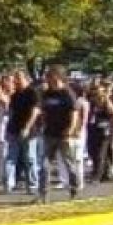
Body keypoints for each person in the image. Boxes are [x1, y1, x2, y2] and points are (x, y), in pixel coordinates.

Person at [39, 65, 78, 201]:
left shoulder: (67, 93)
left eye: (50, 76)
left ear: (57, 76)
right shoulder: (47, 93)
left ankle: (74, 189)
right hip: (49, 133)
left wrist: (70, 130)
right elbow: (43, 110)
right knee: (44, 164)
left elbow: (74, 113)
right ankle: (43, 193)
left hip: (63, 133)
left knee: (69, 163)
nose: (48, 79)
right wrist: (43, 124)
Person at [3, 71, 40, 194]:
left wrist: (27, 127)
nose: (17, 81)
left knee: (29, 158)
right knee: (11, 158)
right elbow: (12, 113)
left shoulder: (32, 93)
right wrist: (8, 129)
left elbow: (35, 111)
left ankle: (32, 185)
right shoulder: (15, 95)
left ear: (26, 79)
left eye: (19, 79)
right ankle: (8, 184)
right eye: (15, 79)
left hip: (29, 131)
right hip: (14, 129)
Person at [87, 85, 113, 184]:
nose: (96, 95)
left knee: (101, 154)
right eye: (95, 93)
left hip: (104, 131)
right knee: (92, 152)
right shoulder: (91, 103)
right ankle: (105, 173)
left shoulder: (106, 102)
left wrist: (106, 98)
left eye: (99, 92)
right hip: (92, 130)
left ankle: (97, 176)